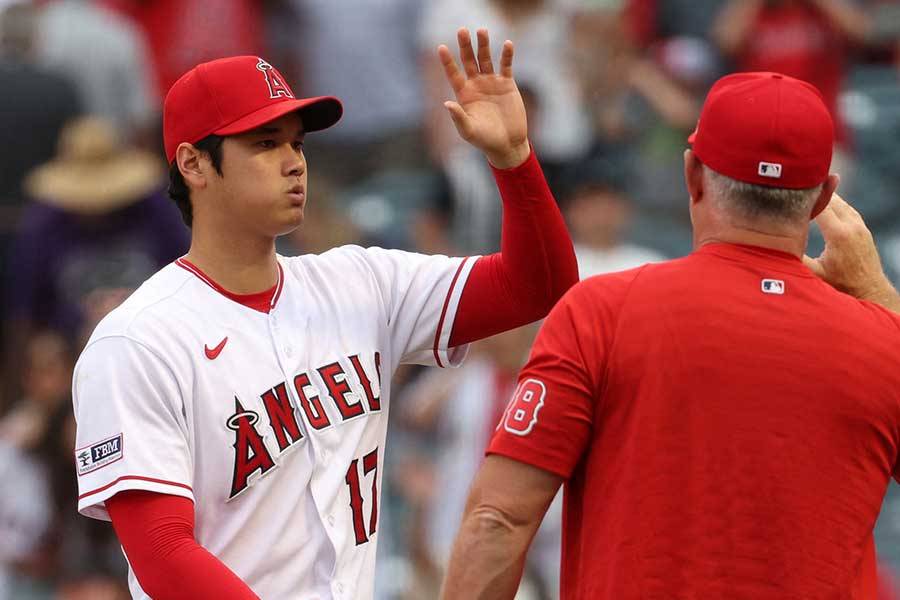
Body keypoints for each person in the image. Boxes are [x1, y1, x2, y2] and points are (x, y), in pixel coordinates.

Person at [71, 28, 578, 600]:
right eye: (265, 143)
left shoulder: (361, 281)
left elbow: (535, 286)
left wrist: (514, 161)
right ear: (193, 163)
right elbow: (163, 553)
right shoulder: (138, 340)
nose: (293, 162)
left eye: (298, 144)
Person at [440, 71, 900, 599]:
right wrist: (877, 293)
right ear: (823, 198)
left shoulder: (602, 310)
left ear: (693, 175)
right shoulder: (883, 339)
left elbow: (498, 520)